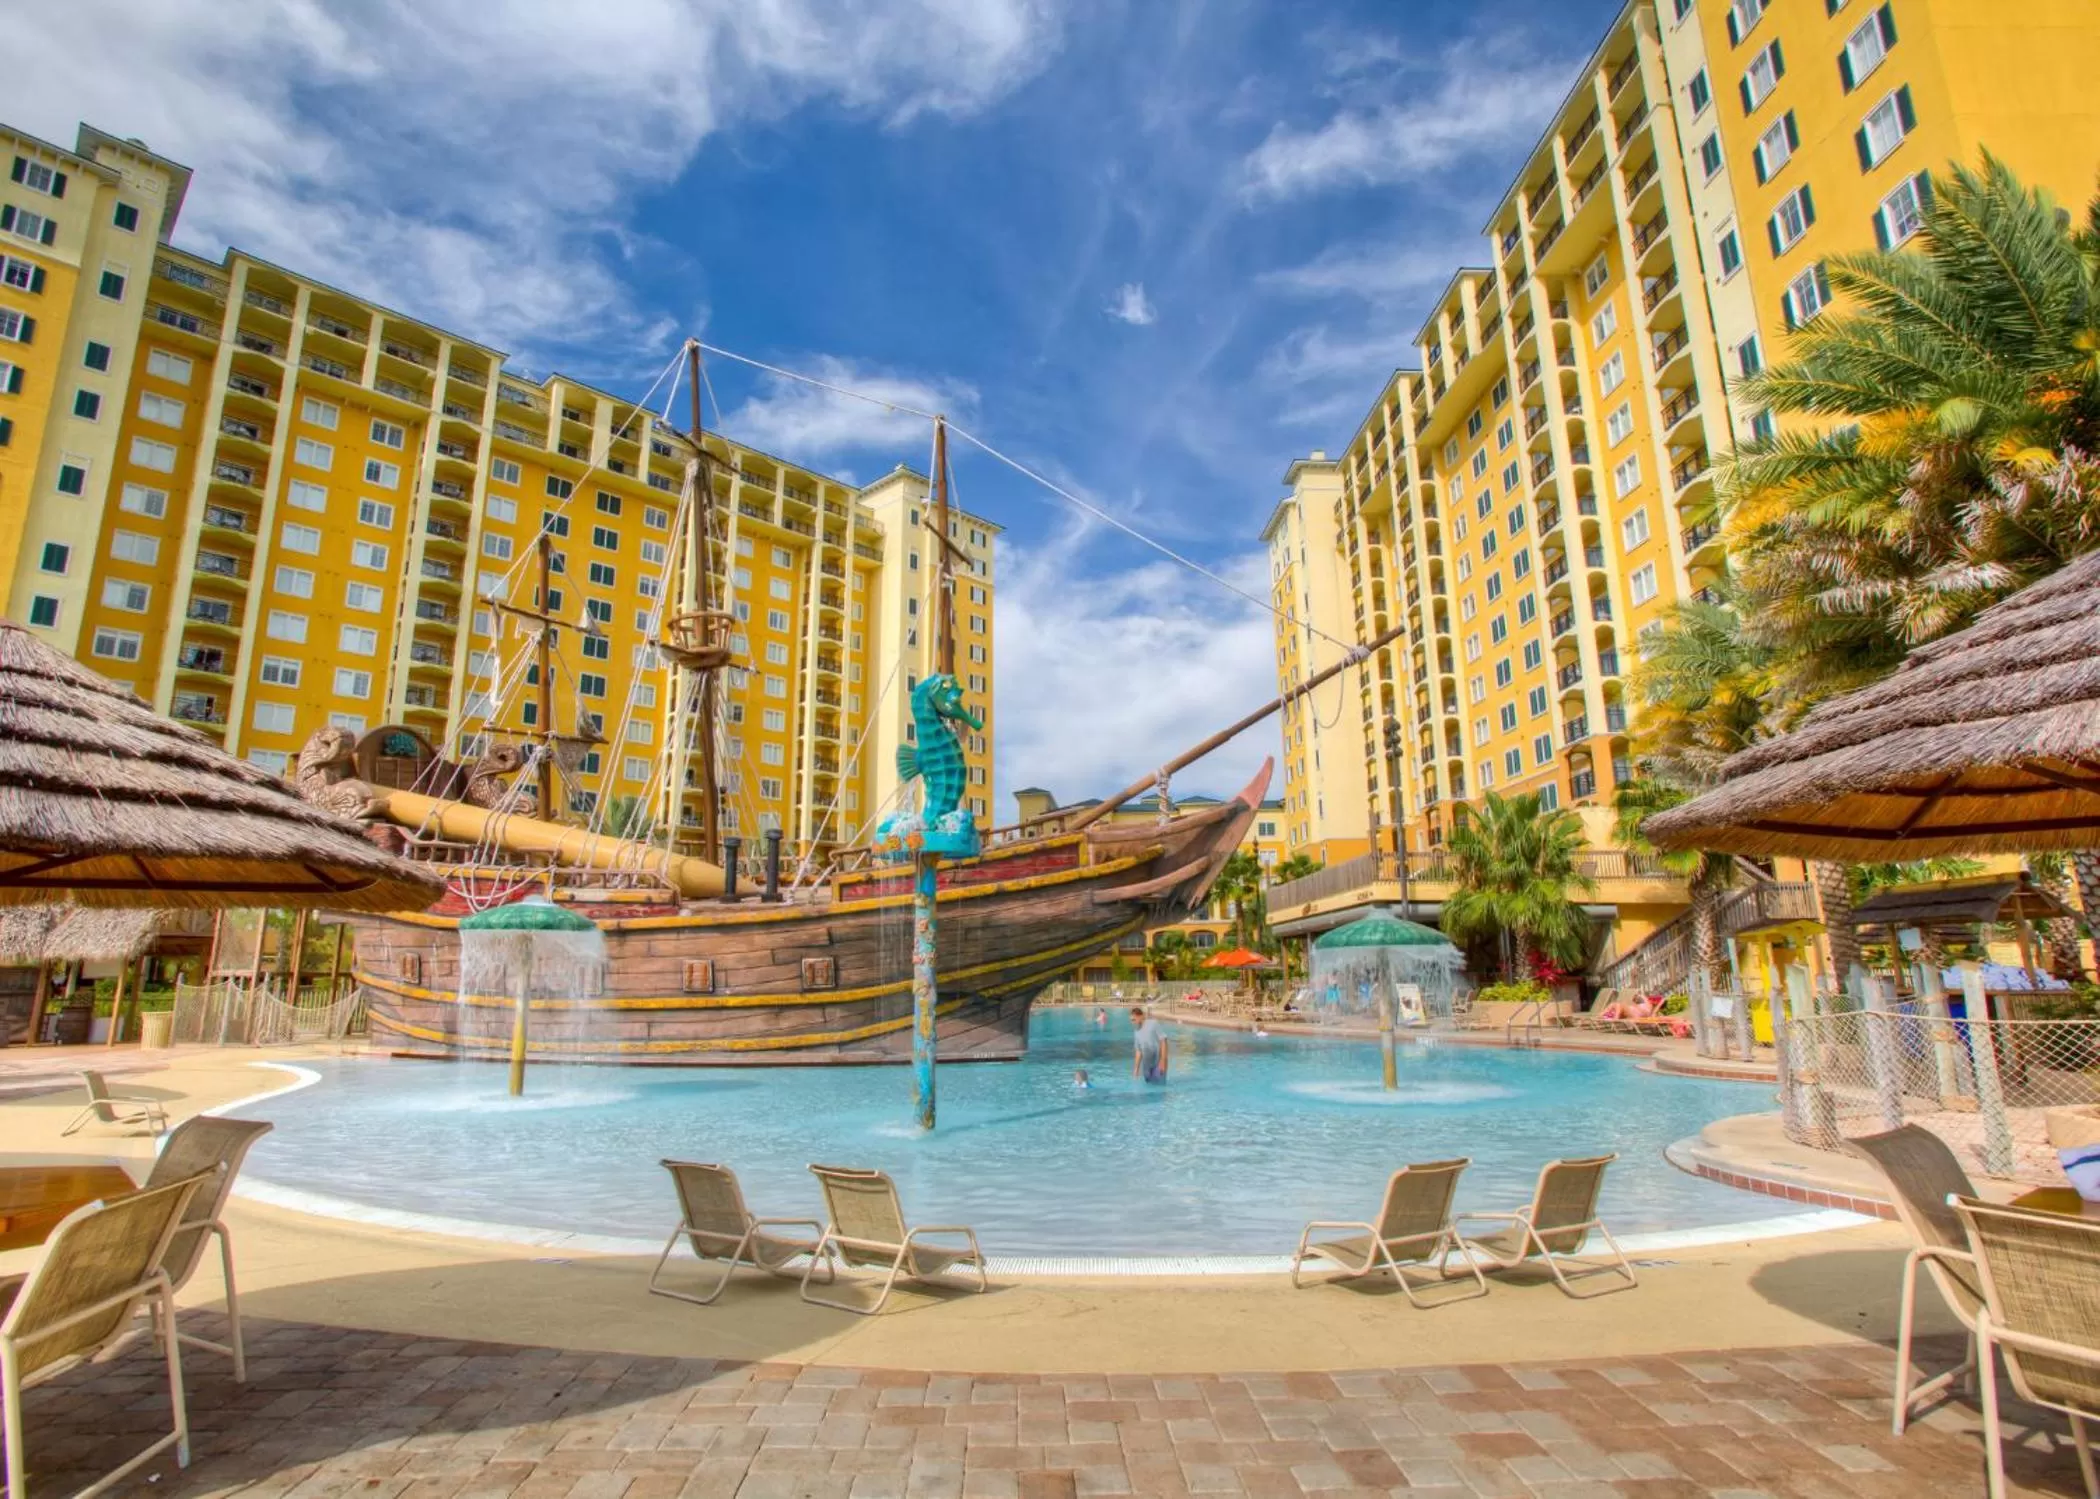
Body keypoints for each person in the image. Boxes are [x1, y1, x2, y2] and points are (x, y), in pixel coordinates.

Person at [1131, 1006, 1169, 1084]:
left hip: (1158, 1063)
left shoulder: (1153, 1023)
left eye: (1134, 1019)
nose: (1132, 1022)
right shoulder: (1136, 1032)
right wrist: (1136, 1069)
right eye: (1131, 1020)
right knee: (1149, 1087)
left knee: (1159, 1087)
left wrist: (1162, 1060)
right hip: (1146, 1065)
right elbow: (1138, 1051)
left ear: (1140, 1016)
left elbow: (1163, 1040)